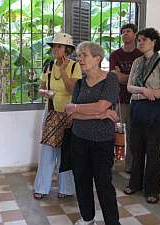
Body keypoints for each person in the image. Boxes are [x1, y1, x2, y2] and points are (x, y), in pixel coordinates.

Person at [65, 41, 120, 225]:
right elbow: (70, 113)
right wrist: (101, 114)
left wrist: (83, 109)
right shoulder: (80, 83)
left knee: (104, 183)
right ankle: (88, 218)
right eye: (79, 55)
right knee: (81, 181)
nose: (79, 58)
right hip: (79, 138)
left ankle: (112, 222)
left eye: (84, 55)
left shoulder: (110, 79)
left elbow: (101, 105)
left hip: (102, 141)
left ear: (97, 58)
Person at [123, 28, 160, 204]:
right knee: (137, 150)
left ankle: (152, 189)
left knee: (153, 152)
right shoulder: (137, 62)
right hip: (138, 111)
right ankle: (135, 183)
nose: (140, 42)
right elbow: (129, 87)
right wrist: (145, 91)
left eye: (144, 39)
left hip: (158, 114)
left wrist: (145, 93)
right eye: (139, 40)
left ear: (154, 41)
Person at [33, 33, 82, 200]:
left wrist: (62, 71)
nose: (55, 49)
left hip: (69, 114)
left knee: (65, 152)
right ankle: (41, 187)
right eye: (54, 46)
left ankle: (66, 188)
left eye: (59, 46)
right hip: (52, 112)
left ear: (67, 49)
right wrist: (45, 92)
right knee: (47, 150)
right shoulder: (48, 65)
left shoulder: (75, 66)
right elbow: (41, 88)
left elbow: (72, 90)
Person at [109, 23, 143, 173]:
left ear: (135, 34)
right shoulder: (115, 55)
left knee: (133, 135)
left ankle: (130, 166)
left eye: (128, 31)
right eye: (122, 32)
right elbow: (114, 77)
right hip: (119, 100)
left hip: (137, 101)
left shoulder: (140, 55)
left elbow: (140, 80)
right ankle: (109, 163)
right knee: (115, 133)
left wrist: (122, 76)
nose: (125, 34)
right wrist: (129, 77)